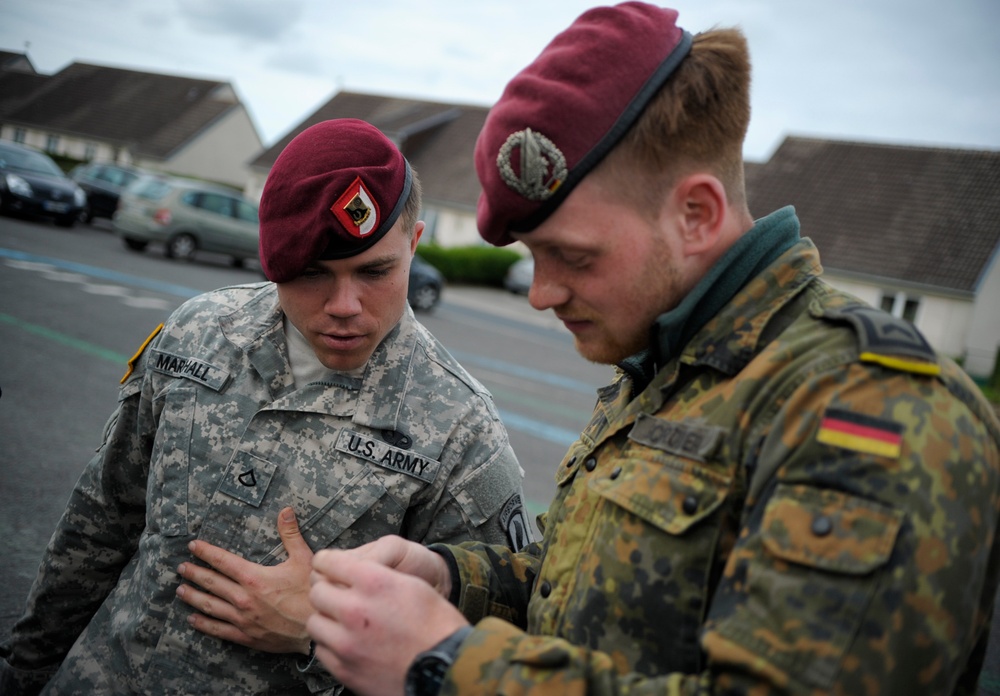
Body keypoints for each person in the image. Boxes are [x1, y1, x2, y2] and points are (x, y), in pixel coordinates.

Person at [304, 4, 1000, 695]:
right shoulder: (670, 363)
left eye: (571, 256)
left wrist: (448, 663)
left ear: (695, 215)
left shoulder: (876, 409)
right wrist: (454, 579)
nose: (541, 292)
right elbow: (588, 591)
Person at [0, 118, 532, 695]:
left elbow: (484, 654)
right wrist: (24, 670)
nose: (345, 305)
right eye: (311, 274)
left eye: (376, 270)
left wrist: (323, 634)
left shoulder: (460, 432)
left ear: (415, 243)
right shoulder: (198, 334)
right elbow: (101, 522)